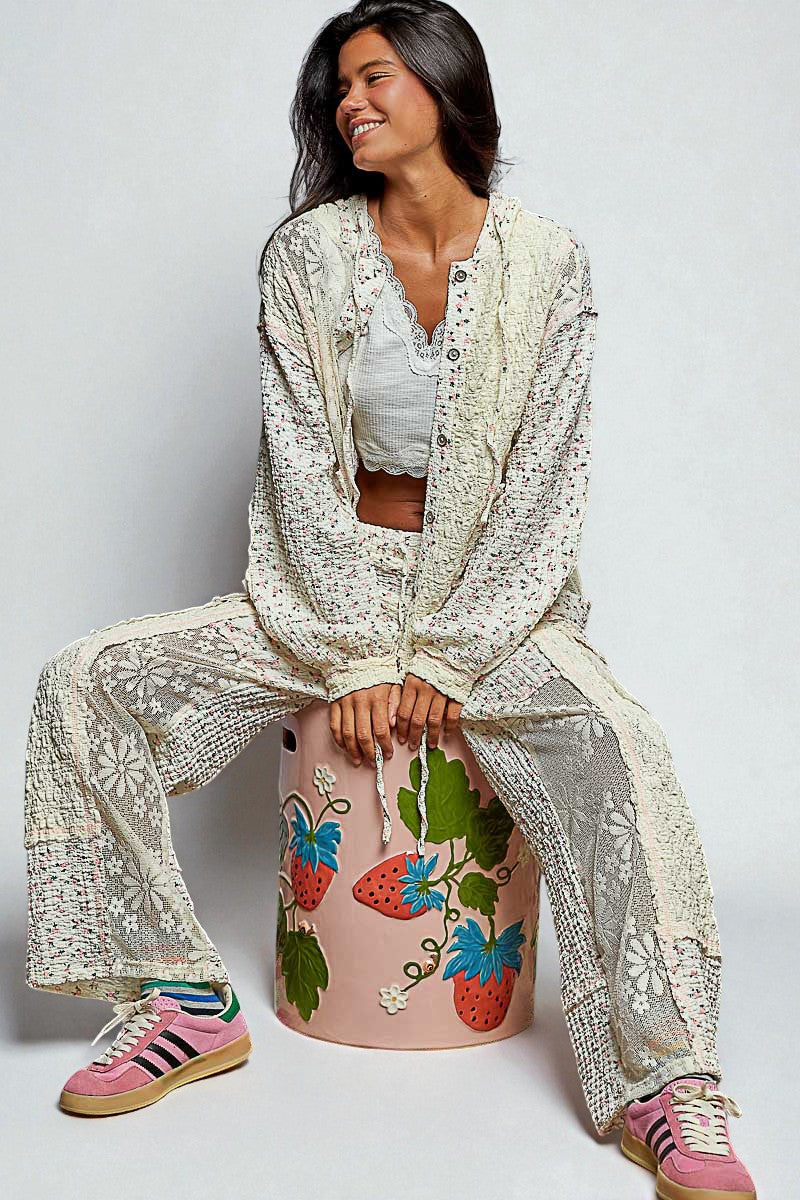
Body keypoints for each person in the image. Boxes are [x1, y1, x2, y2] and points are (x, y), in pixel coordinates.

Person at [23, 1, 757, 1195]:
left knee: (621, 746)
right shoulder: (306, 257)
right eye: (337, 87)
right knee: (87, 680)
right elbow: (298, 467)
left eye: (372, 78)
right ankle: (180, 998)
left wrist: (451, 655)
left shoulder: (548, 263)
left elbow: (546, 484)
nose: (346, 103)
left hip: (492, 602)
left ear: (443, 82)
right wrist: (359, 655)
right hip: (323, 592)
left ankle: (664, 1082)